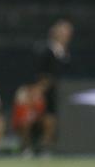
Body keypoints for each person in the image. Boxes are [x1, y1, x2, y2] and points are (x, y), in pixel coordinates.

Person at [33, 19, 74, 152]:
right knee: (49, 115)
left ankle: (55, 143)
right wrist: (41, 87)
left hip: (64, 92)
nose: (66, 35)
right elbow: (42, 73)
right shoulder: (46, 50)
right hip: (49, 92)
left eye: (68, 32)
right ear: (54, 33)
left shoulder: (65, 52)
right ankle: (45, 144)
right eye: (63, 31)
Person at [12, 76, 50, 155]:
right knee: (26, 123)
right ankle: (26, 148)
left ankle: (43, 147)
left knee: (49, 121)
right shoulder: (23, 91)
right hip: (22, 120)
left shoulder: (41, 96)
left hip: (36, 120)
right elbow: (21, 109)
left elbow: (41, 111)